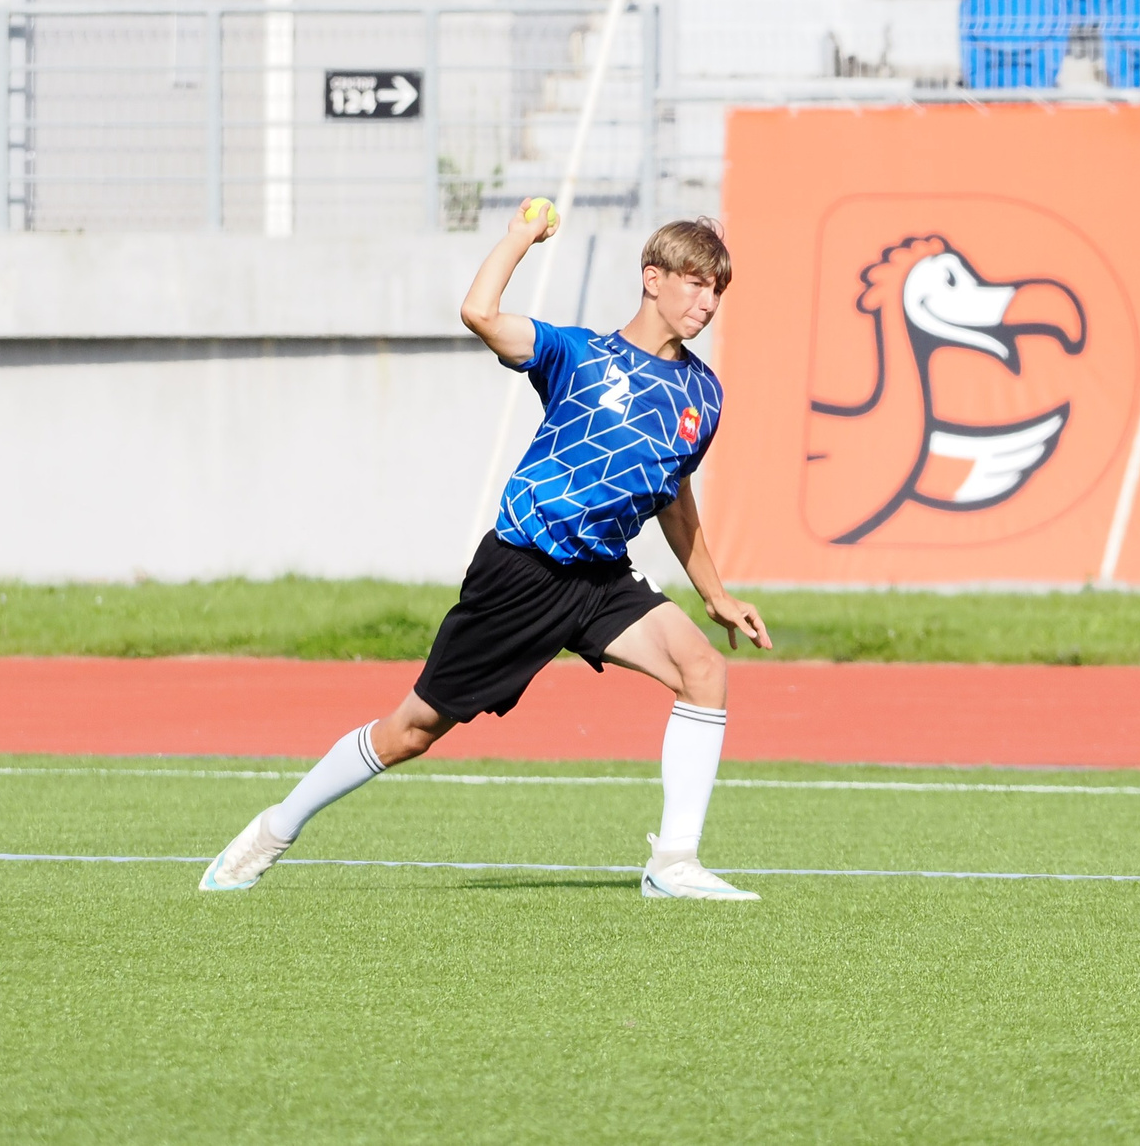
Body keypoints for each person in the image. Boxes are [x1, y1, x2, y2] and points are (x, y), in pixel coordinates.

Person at [200, 208, 773, 900]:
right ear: (652, 279)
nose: (707, 302)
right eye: (694, 282)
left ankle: (674, 862)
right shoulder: (578, 353)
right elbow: (479, 311)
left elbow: (673, 493)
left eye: (718, 289)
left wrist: (714, 592)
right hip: (521, 571)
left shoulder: (703, 393)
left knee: (703, 669)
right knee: (411, 731)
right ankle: (274, 828)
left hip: (601, 577)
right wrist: (520, 237)